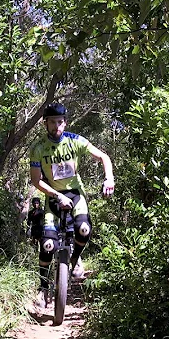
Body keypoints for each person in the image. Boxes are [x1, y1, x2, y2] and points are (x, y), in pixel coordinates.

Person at [29, 102, 115, 309]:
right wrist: (57, 195)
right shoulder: (38, 148)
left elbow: (103, 156)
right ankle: (42, 288)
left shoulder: (75, 141)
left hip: (76, 194)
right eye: (52, 122)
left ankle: (75, 259)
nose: (56, 126)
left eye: (60, 122)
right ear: (45, 124)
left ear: (65, 123)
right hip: (52, 195)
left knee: (83, 229)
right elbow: (36, 181)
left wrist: (109, 179)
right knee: (48, 245)